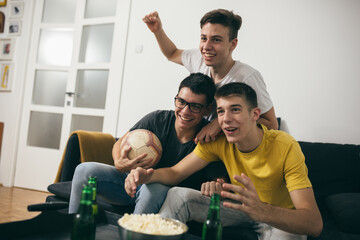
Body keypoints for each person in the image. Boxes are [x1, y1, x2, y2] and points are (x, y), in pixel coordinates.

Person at [124, 82, 323, 239]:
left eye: (235, 109)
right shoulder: (219, 142)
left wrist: (262, 210)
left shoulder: (285, 145)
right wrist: (145, 175)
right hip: (238, 210)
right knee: (178, 194)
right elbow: (176, 173)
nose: (226, 119)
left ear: (255, 114)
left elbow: (314, 224)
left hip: (278, 217)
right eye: (221, 111)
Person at [68, 73, 225, 214]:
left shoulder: (209, 137)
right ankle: (74, 227)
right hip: (130, 184)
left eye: (195, 106)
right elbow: (121, 141)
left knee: (154, 189)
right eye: (181, 102)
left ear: (207, 109)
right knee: (85, 169)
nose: (184, 111)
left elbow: (217, 178)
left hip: (161, 195)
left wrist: (216, 184)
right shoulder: (157, 119)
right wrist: (118, 161)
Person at [143, 9, 279, 144]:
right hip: (204, 141)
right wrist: (157, 30)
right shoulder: (198, 58)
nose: (207, 47)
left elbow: (272, 124)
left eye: (216, 40)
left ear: (233, 44)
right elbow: (172, 53)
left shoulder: (247, 77)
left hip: (233, 146)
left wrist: (218, 124)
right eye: (203, 38)